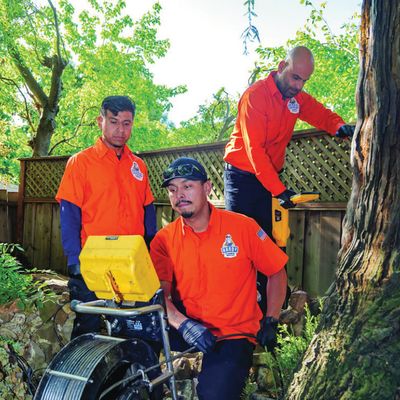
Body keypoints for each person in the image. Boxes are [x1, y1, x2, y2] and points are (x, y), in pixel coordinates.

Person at [223, 46, 355, 312]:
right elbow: (254, 151)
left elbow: (318, 112)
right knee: (243, 241)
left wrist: (338, 126)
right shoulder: (256, 97)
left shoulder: (295, 98)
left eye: (304, 81)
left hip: (270, 178)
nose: (299, 85)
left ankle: (269, 312)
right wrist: (279, 189)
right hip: (243, 178)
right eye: (295, 77)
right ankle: (238, 307)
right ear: (282, 66)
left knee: (270, 244)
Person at [150, 157, 288, 400]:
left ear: (207, 188)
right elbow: (160, 295)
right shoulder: (163, 239)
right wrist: (183, 324)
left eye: (187, 186)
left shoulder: (243, 227)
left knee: (214, 394)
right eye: (172, 189)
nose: (179, 194)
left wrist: (271, 318)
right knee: (135, 341)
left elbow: (276, 271)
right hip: (187, 325)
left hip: (232, 334)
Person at [56, 95, 157, 339]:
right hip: (92, 262)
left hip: (130, 262)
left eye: (126, 123)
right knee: (88, 330)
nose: (120, 130)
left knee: (131, 329)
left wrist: (151, 254)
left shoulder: (138, 166)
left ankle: (129, 376)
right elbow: (69, 214)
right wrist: (74, 258)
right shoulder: (80, 163)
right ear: (100, 121)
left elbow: (149, 213)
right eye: (113, 122)